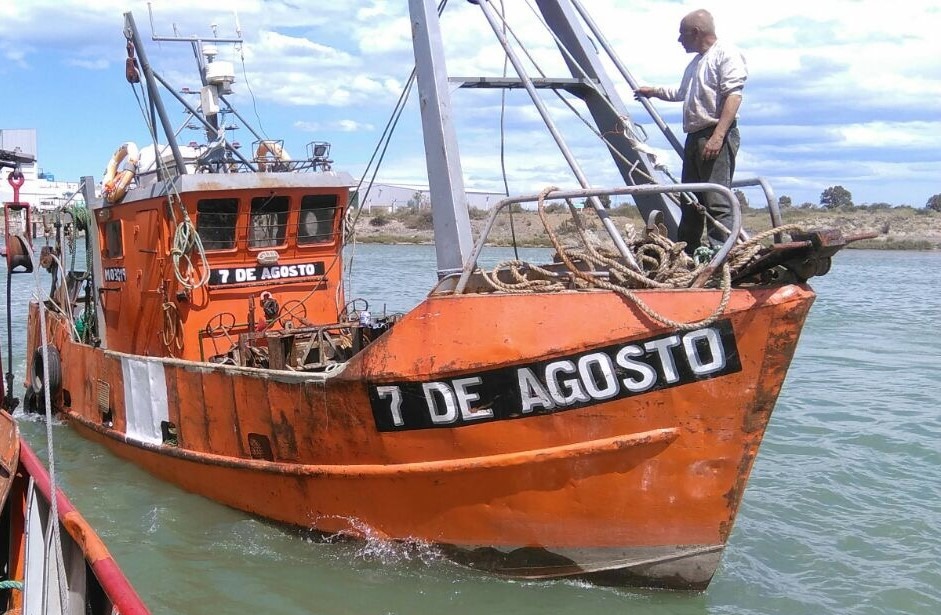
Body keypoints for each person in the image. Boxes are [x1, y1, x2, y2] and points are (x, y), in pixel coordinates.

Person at [635, 9, 747, 254]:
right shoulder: (696, 63)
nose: (679, 40)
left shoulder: (725, 54)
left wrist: (718, 136)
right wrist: (652, 91)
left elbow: (734, 95)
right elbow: (681, 93)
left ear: (696, 33)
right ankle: (687, 253)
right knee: (691, 200)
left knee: (716, 200)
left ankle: (721, 255)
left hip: (714, 133)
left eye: (682, 34)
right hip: (695, 136)